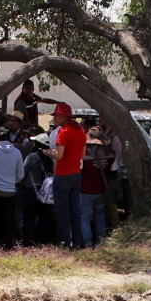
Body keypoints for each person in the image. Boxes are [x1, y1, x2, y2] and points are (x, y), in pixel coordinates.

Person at [48, 103, 87, 249]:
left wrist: (49, 153)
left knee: (62, 211)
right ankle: (76, 242)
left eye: (57, 115)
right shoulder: (80, 130)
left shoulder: (63, 132)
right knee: (75, 211)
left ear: (64, 117)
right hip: (75, 174)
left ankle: (65, 242)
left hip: (62, 174)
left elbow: (59, 155)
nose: (55, 118)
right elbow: (82, 155)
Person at [79, 127, 110, 248]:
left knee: (85, 217)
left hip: (85, 190)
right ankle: (101, 241)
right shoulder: (109, 153)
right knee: (100, 216)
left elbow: (80, 171)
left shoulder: (83, 154)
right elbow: (113, 171)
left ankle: (87, 243)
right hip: (101, 190)